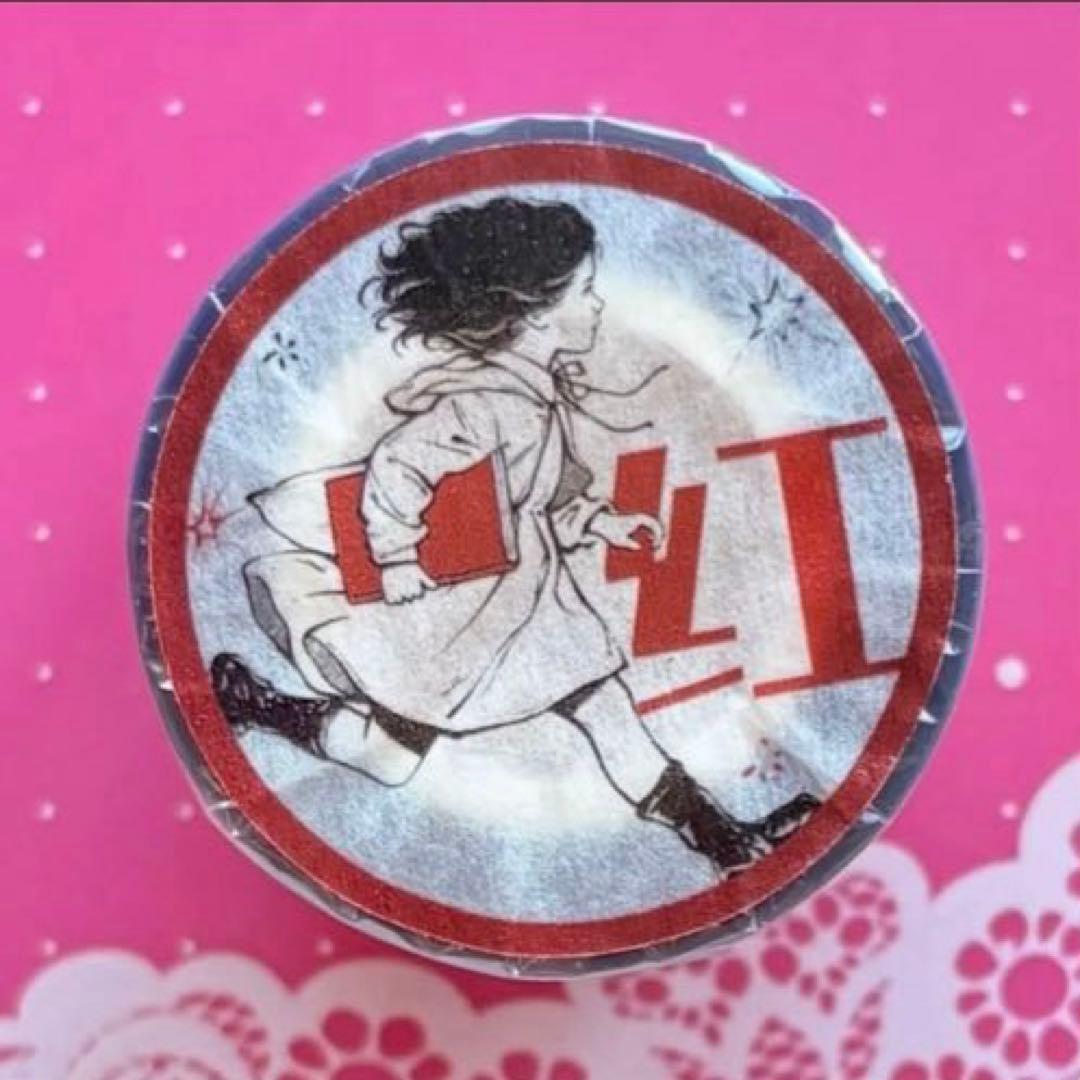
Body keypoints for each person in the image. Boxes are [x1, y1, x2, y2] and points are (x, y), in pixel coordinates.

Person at [213, 197, 819, 878]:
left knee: (607, 710)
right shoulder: (485, 404)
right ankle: (261, 706)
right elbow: (398, 468)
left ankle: (723, 841)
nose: (597, 305)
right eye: (585, 292)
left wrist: (599, 521)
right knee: (388, 758)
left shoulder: (530, 399)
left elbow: (528, 501)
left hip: (531, 612)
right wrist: (398, 557)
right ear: (534, 312)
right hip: (455, 626)